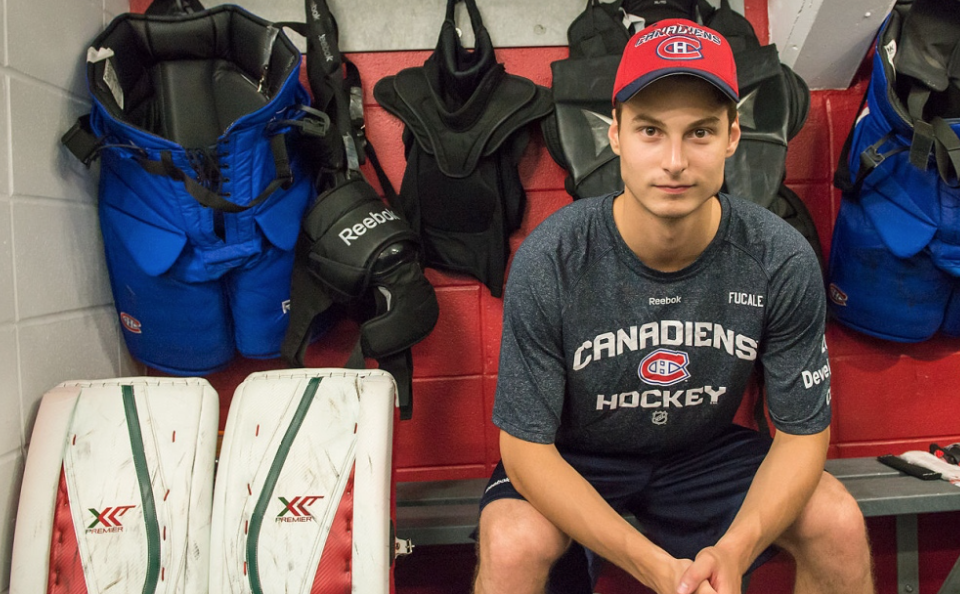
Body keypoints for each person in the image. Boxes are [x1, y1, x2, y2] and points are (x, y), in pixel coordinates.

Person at [472, 18, 874, 594]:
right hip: (576, 457)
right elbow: (525, 450)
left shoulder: (777, 257)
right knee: (512, 541)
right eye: (651, 131)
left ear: (734, 135)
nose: (675, 161)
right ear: (614, 134)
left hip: (702, 455)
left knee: (834, 521)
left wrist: (735, 550)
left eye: (701, 133)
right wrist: (653, 567)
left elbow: (802, 436)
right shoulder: (554, 258)